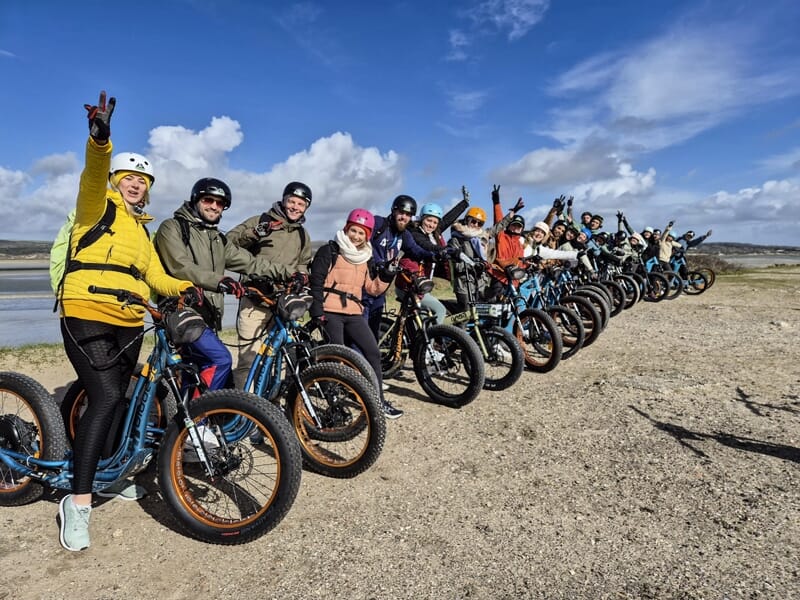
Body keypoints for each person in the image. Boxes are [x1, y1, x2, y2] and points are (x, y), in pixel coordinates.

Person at [57, 91, 197, 552]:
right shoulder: (95, 207)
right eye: (128, 177)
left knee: (123, 400)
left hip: (130, 319)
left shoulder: (142, 230)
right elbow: (93, 176)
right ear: (116, 181)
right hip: (86, 311)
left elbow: (154, 275)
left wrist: (188, 289)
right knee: (108, 395)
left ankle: (108, 474)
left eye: (142, 179)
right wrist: (101, 142)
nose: (135, 184)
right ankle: (77, 504)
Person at [154, 178, 295, 394]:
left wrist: (291, 273)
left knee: (198, 373)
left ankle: (190, 421)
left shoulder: (217, 239)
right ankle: (196, 419)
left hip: (207, 316)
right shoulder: (172, 227)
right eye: (208, 200)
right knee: (220, 359)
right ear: (196, 200)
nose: (213, 206)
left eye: (219, 203)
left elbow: (251, 262)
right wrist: (219, 281)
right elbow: (181, 266)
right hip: (181, 310)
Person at [308, 209, 403, 418]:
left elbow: (371, 289)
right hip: (330, 311)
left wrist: (386, 276)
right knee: (337, 357)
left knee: (373, 352)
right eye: (353, 230)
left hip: (354, 313)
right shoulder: (330, 250)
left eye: (362, 233)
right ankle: (333, 402)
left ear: (367, 236)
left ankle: (378, 401)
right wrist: (316, 312)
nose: (356, 236)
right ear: (346, 228)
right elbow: (316, 281)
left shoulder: (365, 256)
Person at [226, 182, 313, 388]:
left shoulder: (303, 234)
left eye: (301, 204)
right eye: (291, 201)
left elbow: (302, 263)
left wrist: (302, 276)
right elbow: (227, 243)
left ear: (306, 207)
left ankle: (271, 410)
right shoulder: (260, 220)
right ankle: (244, 411)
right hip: (254, 300)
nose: (295, 207)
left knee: (278, 360)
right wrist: (255, 232)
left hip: (281, 304)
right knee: (248, 359)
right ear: (283, 201)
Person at [362, 195, 437, 339]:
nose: (404, 217)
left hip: (381, 287)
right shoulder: (379, 223)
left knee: (373, 331)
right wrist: (374, 261)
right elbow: (364, 241)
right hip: (363, 286)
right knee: (361, 331)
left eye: (408, 215)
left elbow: (416, 250)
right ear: (393, 211)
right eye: (401, 212)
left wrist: (434, 255)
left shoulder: (404, 235)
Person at [397, 200, 466, 325]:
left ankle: (425, 340)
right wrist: (446, 250)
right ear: (422, 218)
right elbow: (427, 246)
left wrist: (464, 203)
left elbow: (447, 220)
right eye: (429, 220)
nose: (431, 225)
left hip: (421, 285)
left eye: (435, 222)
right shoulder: (415, 233)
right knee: (440, 310)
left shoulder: (433, 234)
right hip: (408, 284)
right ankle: (429, 341)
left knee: (425, 319)